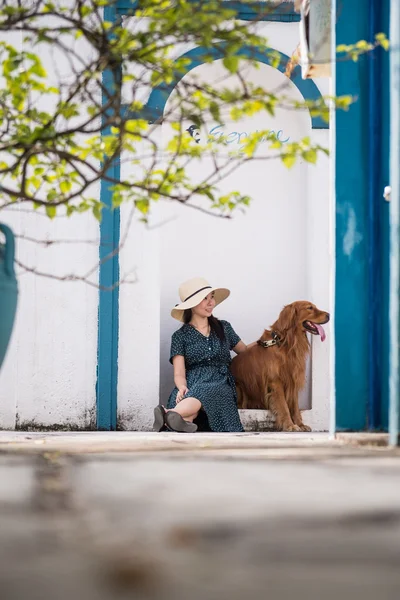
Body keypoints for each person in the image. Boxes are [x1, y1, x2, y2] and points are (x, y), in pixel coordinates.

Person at [153, 277, 255, 433]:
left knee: (204, 391)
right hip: (191, 383)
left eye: (212, 297)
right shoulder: (179, 336)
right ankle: (178, 419)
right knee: (189, 402)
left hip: (219, 381)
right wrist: (182, 388)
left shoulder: (224, 327)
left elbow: (245, 351)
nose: (211, 303)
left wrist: (265, 340)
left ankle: (168, 414)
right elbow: (179, 373)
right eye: (205, 299)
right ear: (191, 305)